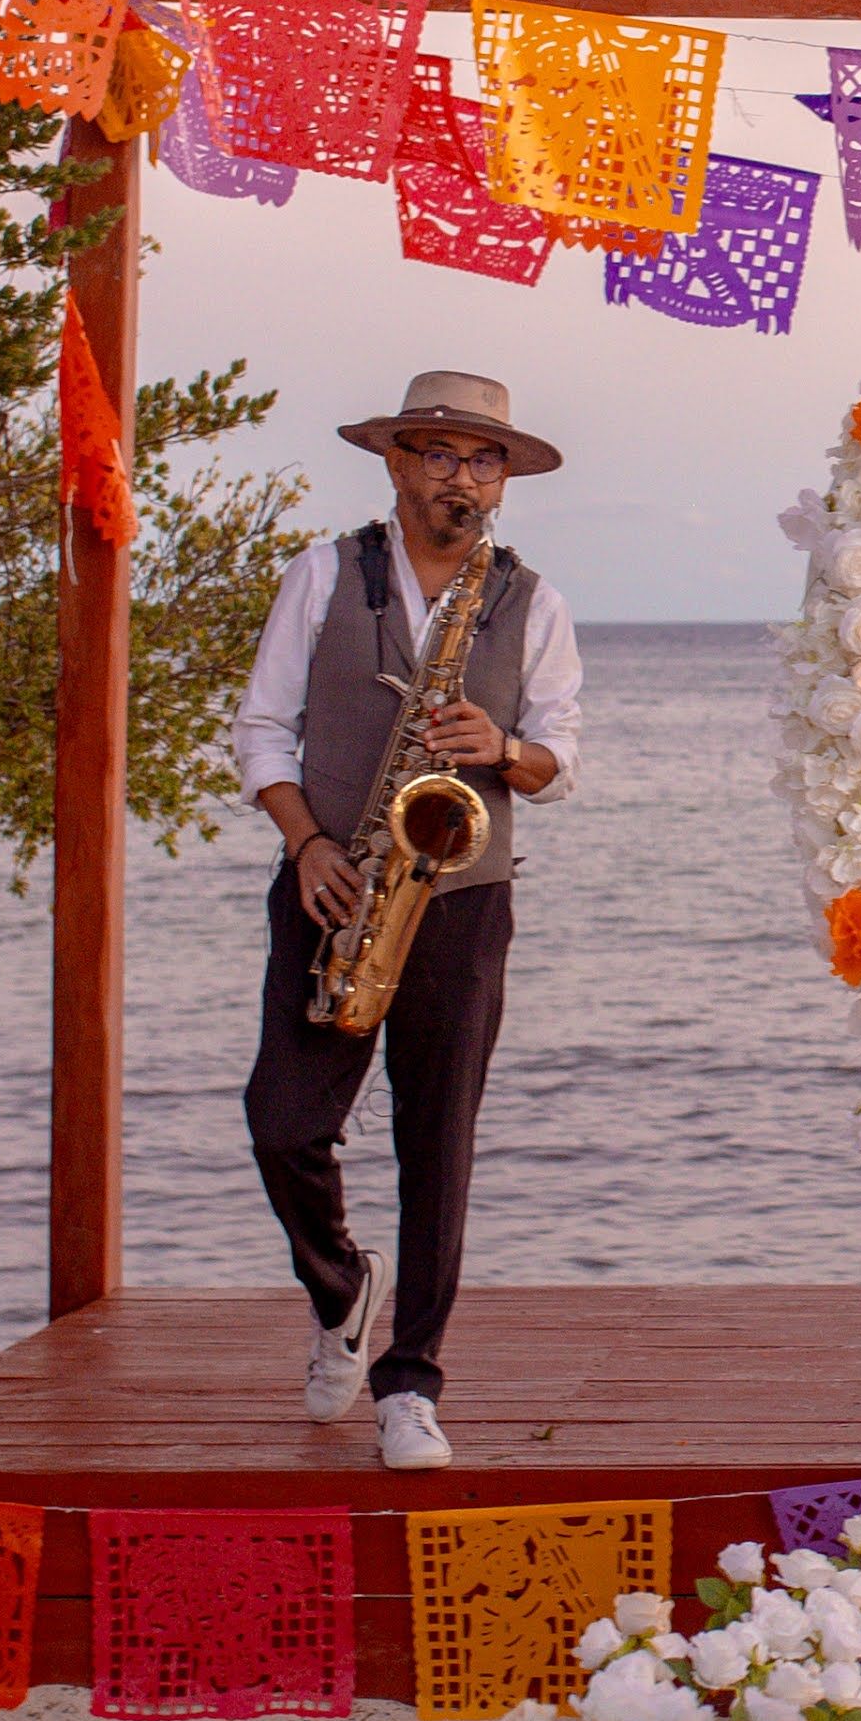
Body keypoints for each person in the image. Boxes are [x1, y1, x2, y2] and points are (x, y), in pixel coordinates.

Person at [235, 367, 585, 1472]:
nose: (461, 476)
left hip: (462, 903)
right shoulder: (321, 573)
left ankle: (411, 1384)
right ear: (394, 463)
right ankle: (341, 1288)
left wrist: (507, 751)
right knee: (283, 1121)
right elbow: (260, 731)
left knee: (438, 1145)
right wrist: (309, 845)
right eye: (437, 452)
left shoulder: (533, 601)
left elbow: (560, 757)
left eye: (481, 460)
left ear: (502, 482)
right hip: (332, 887)